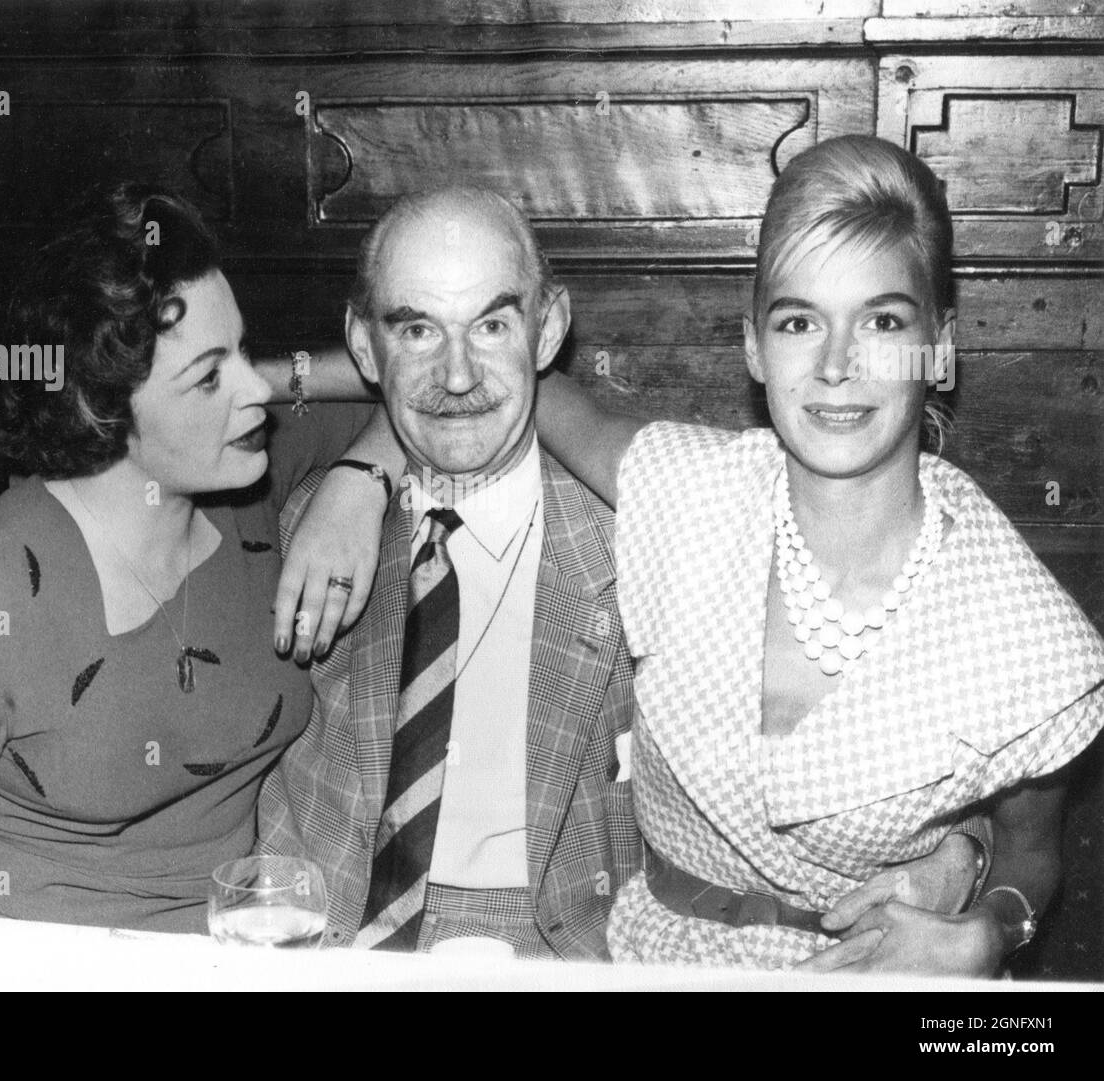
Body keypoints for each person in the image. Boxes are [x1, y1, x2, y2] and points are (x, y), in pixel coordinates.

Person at [256, 185, 982, 961]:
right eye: (418, 329)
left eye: (493, 324)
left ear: (549, 330)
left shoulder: (655, 536)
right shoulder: (302, 515)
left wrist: (961, 852)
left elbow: (886, 701)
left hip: (563, 950)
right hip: (316, 941)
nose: (458, 374)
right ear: (366, 348)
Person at [534, 135, 1104, 973]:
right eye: (800, 321)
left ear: (939, 347)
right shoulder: (689, 491)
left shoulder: (1021, 630)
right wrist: (354, 461)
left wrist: (988, 933)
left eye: (881, 321)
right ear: (756, 348)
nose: (836, 366)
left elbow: (1032, 859)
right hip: (654, 961)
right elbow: (494, 379)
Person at [0, 183, 398, 932]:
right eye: (210, 376)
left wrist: (359, 483)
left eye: (244, 352)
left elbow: (412, 390)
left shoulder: (246, 474)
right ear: (100, 407)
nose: (258, 390)